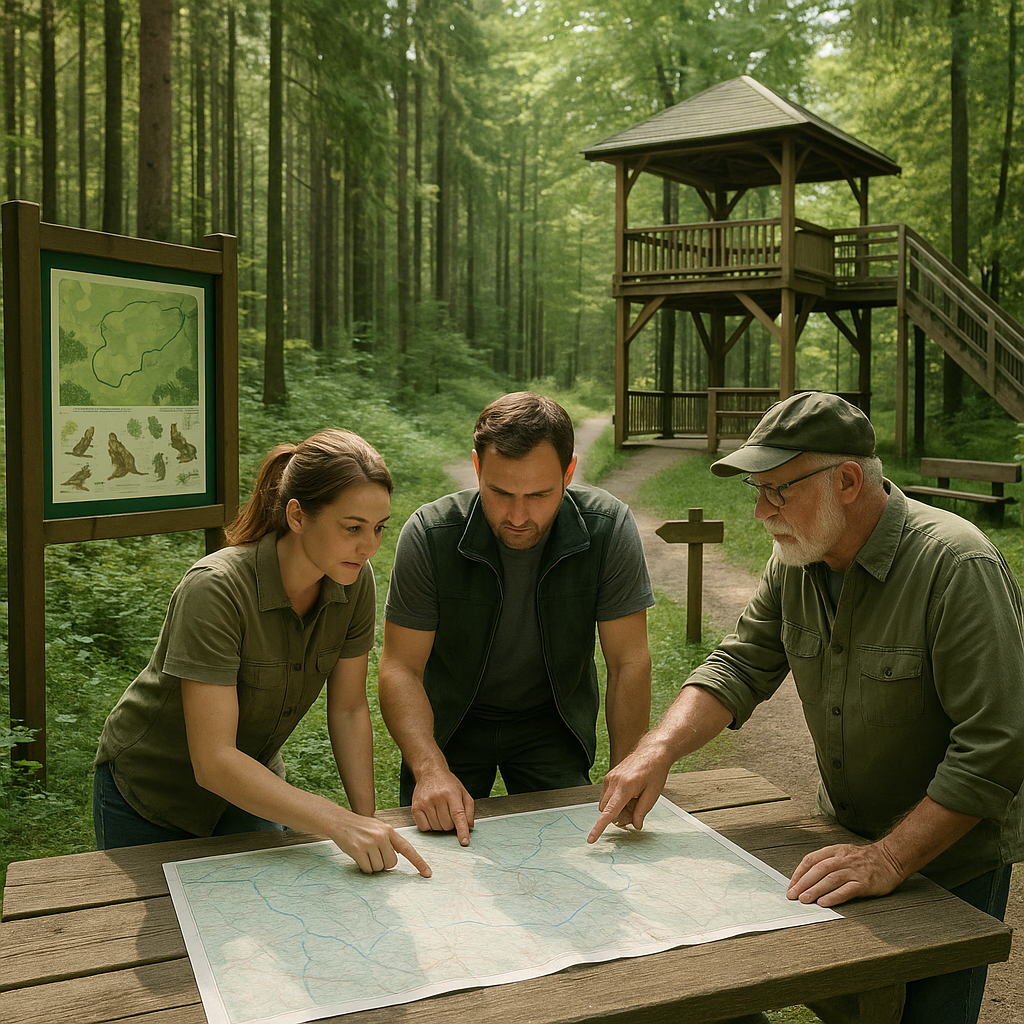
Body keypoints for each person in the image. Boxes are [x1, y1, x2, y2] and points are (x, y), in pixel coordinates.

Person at [588, 391, 1024, 1024]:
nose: (763, 511)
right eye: (757, 491)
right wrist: (655, 749)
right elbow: (739, 664)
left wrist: (891, 858)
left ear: (847, 480)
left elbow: (997, 745)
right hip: (845, 838)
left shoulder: (956, 564)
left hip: (951, 860)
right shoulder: (797, 559)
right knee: (850, 1008)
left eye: (778, 490)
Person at [93, 429, 430, 878]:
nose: (369, 546)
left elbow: (348, 709)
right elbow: (213, 760)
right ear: (297, 515)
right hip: (151, 798)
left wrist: (366, 820)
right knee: (172, 942)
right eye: (352, 528)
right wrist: (337, 822)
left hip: (250, 789)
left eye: (378, 528)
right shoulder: (215, 589)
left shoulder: (355, 580)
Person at [378, 392, 654, 846]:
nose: (519, 516)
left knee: (573, 846)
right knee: (439, 853)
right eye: (500, 492)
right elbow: (399, 668)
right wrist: (429, 769)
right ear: (477, 468)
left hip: (551, 722)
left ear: (568, 473)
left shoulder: (608, 527)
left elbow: (629, 661)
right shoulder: (430, 533)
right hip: (450, 726)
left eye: (540, 494)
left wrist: (628, 768)